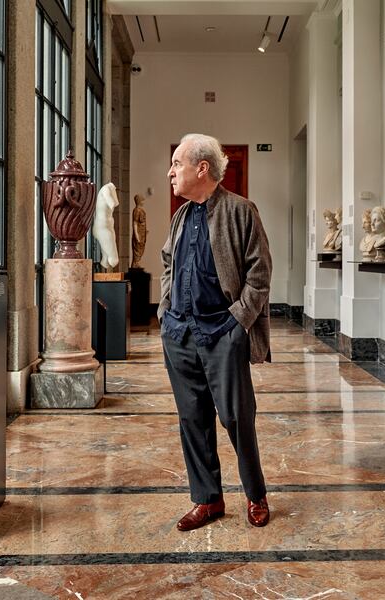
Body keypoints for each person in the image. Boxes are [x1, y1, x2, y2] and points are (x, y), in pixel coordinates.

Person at [159, 133, 272, 531]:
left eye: (178, 164)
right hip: (181, 333)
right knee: (192, 419)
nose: (171, 171)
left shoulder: (241, 211)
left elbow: (259, 273)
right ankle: (208, 500)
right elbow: (168, 264)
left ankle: (255, 496)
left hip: (222, 332)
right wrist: (165, 312)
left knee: (238, 418)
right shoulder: (180, 215)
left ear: (201, 168)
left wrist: (238, 321)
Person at [130, 194, 148, 269]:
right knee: (137, 249)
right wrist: (136, 235)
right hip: (138, 234)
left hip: (142, 233)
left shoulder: (141, 210)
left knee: (141, 249)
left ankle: (136, 263)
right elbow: (135, 223)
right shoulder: (136, 210)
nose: (143, 202)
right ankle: (135, 264)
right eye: (142, 200)